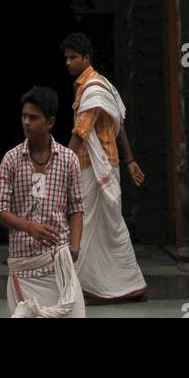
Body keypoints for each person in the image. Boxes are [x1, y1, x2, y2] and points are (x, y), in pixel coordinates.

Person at [62, 32, 148, 302]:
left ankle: (125, 283)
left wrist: (61, 163)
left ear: (86, 58)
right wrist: (130, 160)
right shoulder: (105, 86)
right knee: (98, 223)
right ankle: (98, 285)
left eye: (73, 57)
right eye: (66, 58)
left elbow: (81, 131)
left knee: (89, 221)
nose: (68, 62)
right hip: (105, 166)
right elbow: (120, 125)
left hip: (94, 166)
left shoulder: (93, 87)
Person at [0, 86, 86, 318]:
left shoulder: (68, 159)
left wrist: (74, 247)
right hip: (23, 265)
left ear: (50, 121)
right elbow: (0, 209)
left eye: (33, 118)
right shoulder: (11, 159)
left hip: (59, 265)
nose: (26, 122)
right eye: (24, 116)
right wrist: (29, 227)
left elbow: (76, 208)